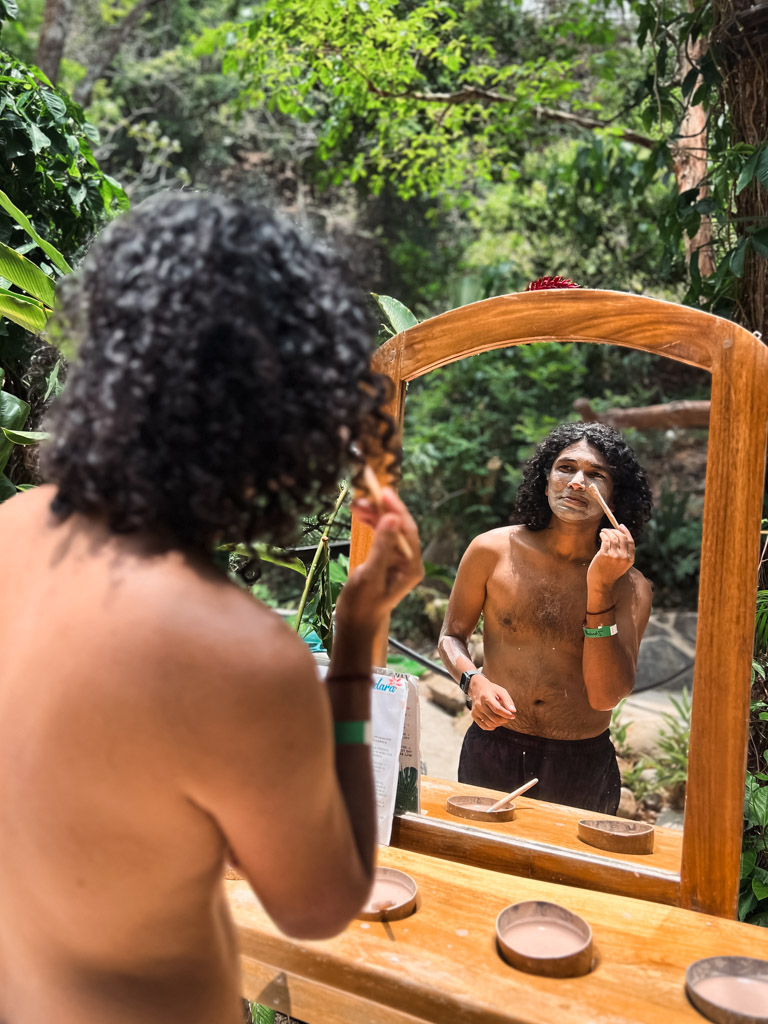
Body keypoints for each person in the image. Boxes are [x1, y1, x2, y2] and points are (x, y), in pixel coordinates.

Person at [0, 193, 423, 1024]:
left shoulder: (13, 528)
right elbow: (319, 905)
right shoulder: (236, 655)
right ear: (284, 419)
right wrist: (356, 639)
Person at [439, 422, 653, 814]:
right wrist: (473, 681)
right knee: (480, 869)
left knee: (570, 877)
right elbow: (451, 636)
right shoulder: (491, 550)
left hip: (581, 761)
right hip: (494, 746)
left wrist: (600, 586)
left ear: (615, 497)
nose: (577, 482)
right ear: (545, 481)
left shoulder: (631, 586)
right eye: (565, 468)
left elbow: (606, 695)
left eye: (596, 475)